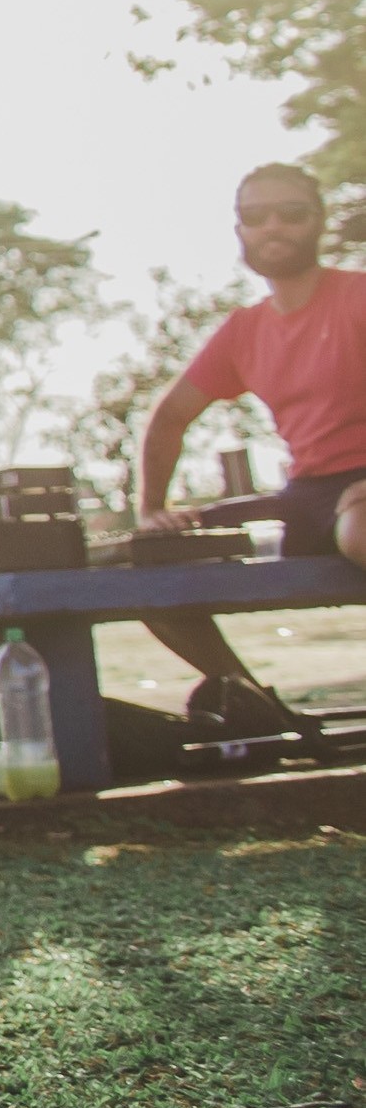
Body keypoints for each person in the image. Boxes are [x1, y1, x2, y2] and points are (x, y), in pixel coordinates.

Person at [128, 162, 362, 733]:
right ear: (240, 229)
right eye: (256, 216)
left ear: (319, 222)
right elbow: (169, 418)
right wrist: (152, 509)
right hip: (307, 496)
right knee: (148, 564)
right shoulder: (244, 330)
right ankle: (257, 706)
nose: (273, 226)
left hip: (360, 497)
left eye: (291, 213)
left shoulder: (356, 296)